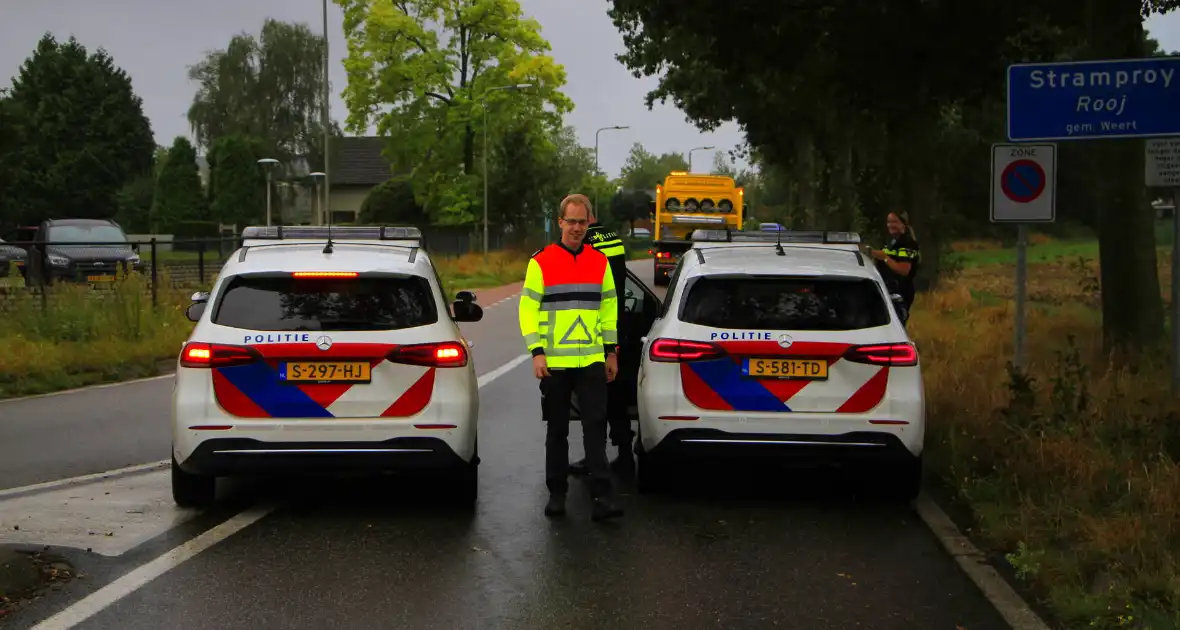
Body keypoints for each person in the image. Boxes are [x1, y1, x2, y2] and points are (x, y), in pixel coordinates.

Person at [519, 193, 624, 522]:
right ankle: (557, 495)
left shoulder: (599, 261)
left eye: (583, 221)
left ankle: (602, 499)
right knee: (558, 431)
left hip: (592, 360)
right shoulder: (541, 262)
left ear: (589, 222)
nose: (577, 227)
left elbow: (609, 310)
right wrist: (536, 352)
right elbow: (527, 310)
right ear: (560, 222)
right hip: (555, 363)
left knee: (595, 430)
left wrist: (611, 352)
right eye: (572, 221)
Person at [568, 207, 633, 476]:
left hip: (590, 328)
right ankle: (626, 453)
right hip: (617, 324)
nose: (575, 226)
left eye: (577, 220)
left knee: (593, 398)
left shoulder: (586, 243)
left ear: (586, 219)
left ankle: (595, 457)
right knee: (617, 393)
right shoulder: (613, 237)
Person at [869, 211, 921, 324]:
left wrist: (884, 258)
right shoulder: (893, 241)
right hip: (889, 289)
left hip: (900, 292)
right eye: (888, 222)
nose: (890, 225)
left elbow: (904, 270)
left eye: (894, 222)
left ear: (903, 224)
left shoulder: (907, 243)